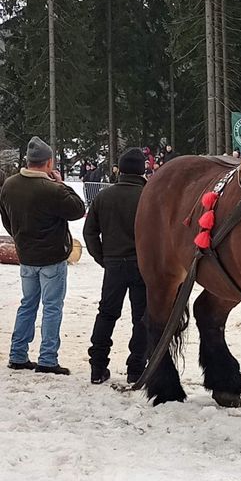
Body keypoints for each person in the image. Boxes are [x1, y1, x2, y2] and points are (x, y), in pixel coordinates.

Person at [0, 137, 85, 374]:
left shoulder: (9, 185)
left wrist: (19, 237)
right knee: (52, 307)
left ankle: (17, 354)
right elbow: (78, 210)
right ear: (48, 163)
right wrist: (62, 184)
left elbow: (6, 217)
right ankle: (48, 358)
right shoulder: (52, 189)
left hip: (26, 255)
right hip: (52, 257)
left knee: (27, 304)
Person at [83, 148, 148, 385]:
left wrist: (103, 258)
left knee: (107, 314)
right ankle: (136, 369)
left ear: (120, 169)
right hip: (142, 265)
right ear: (143, 171)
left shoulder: (103, 196)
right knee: (141, 318)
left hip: (113, 264)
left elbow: (89, 231)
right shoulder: (148, 196)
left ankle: (98, 366)